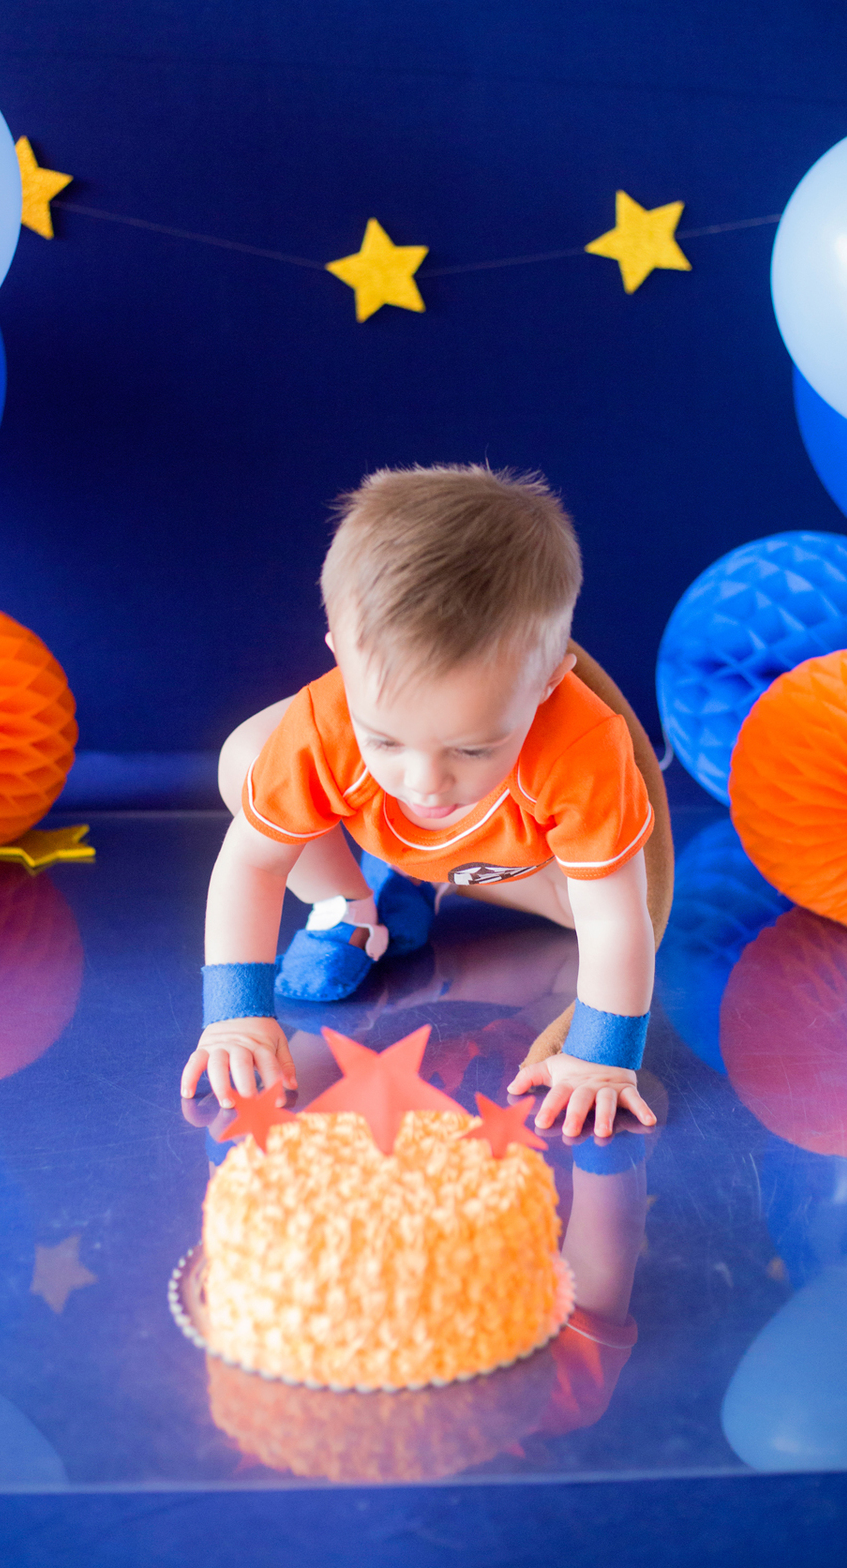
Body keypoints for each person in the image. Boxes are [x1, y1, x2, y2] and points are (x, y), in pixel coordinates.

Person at [180, 464, 672, 1138]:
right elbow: (252, 865)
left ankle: (417, 885)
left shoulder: (581, 746)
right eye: (385, 740)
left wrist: (601, 1058)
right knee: (248, 760)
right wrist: (235, 1012)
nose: (423, 783)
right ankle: (352, 904)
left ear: (551, 683)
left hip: (512, 864)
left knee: (593, 909)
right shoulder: (326, 725)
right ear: (338, 661)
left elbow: (618, 919)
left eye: (471, 749)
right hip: (384, 835)